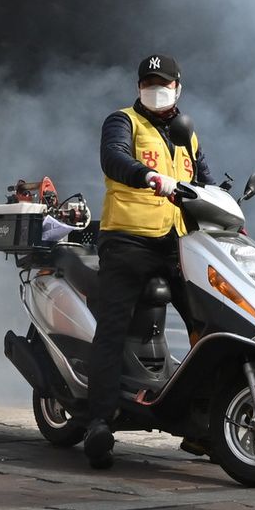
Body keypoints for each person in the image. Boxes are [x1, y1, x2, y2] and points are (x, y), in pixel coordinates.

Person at [83, 53, 213, 469]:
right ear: (138, 87)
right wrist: (148, 176)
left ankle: (201, 424)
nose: (155, 88)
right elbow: (114, 159)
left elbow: (204, 182)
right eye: (148, 82)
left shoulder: (186, 134)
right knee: (113, 327)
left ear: (178, 87)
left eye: (163, 82)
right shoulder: (123, 121)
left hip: (176, 244)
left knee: (205, 326)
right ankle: (98, 422)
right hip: (127, 241)